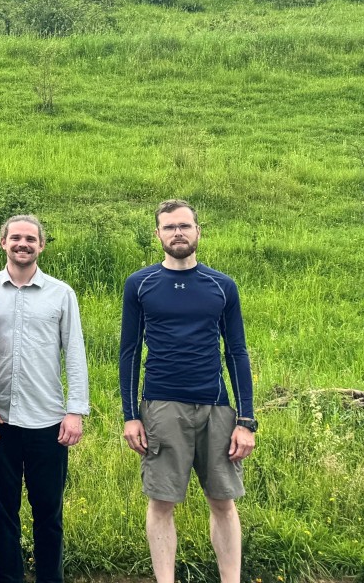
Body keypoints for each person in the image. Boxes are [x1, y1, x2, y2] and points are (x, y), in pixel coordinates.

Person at [120, 200, 256, 583]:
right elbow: (129, 353)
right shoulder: (140, 284)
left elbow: (237, 352)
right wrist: (131, 416)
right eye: (169, 227)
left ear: (198, 231)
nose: (177, 232)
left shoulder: (221, 285)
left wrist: (246, 420)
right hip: (162, 407)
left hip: (216, 408)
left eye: (184, 226)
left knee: (223, 501)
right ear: (158, 235)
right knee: (162, 501)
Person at [0, 215, 89, 583]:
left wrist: (75, 412)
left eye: (30, 239)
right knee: (2, 511)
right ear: (2, 242)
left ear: (41, 245)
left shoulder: (61, 293)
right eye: (16, 238)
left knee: (49, 513)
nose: (23, 244)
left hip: (48, 422)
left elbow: (74, 353)